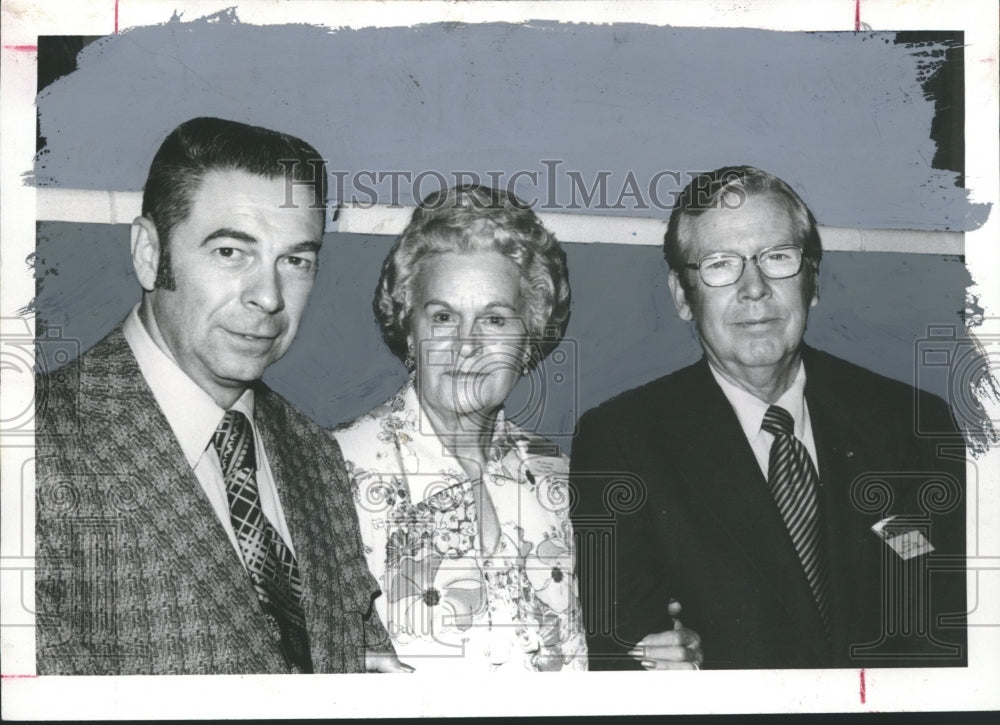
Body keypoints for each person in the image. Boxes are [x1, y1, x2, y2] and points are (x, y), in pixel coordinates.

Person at [34, 117, 401, 674]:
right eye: (231, 252)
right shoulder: (33, 447)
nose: (269, 296)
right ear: (149, 252)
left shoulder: (313, 452)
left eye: (295, 260)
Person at [570, 165, 967, 670]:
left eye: (777, 257)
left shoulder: (912, 422)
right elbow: (622, 646)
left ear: (812, 281)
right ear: (682, 297)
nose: (753, 288)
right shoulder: (622, 441)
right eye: (719, 264)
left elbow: (954, 619)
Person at [332, 184, 591, 672]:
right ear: (410, 330)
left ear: (529, 337)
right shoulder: (334, 472)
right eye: (444, 316)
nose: (467, 344)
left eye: (494, 319)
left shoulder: (559, 476)